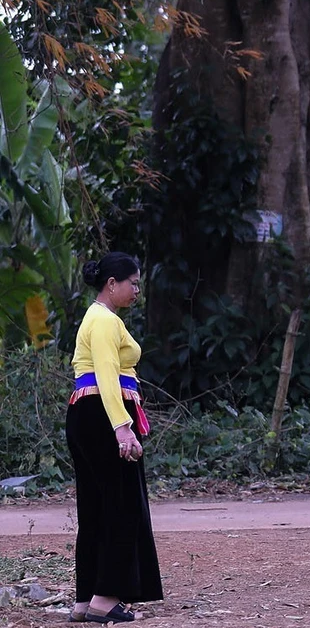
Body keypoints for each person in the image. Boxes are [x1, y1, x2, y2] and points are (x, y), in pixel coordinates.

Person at [68, 252, 162, 623]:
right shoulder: (105, 321)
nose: (137, 290)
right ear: (112, 284)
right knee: (120, 506)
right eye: (133, 283)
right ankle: (105, 599)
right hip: (102, 416)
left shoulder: (96, 317)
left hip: (86, 415)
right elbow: (107, 375)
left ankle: (85, 598)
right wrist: (122, 429)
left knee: (94, 507)